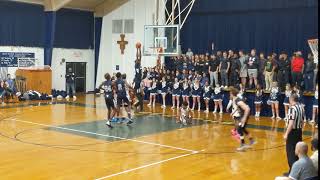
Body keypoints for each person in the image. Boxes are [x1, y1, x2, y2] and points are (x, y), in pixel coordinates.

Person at [283, 94, 304, 176]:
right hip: (299, 132)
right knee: (298, 152)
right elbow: (302, 121)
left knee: (291, 152)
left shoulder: (292, 109)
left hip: (292, 133)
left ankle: (292, 173)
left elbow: (291, 123)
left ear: (291, 99)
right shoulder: (301, 107)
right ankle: (297, 171)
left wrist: (286, 134)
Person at [229, 87, 255, 151]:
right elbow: (238, 108)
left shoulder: (238, 100)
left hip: (244, 116)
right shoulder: (235, 100)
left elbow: (247, 109)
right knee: (242, 128)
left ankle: (243, 144)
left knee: (239, 129)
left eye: (230, 93)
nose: (229, 95)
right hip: (242, 115)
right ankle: (251, 140)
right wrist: (233, 112)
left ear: (232, 94)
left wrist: (244, 118)